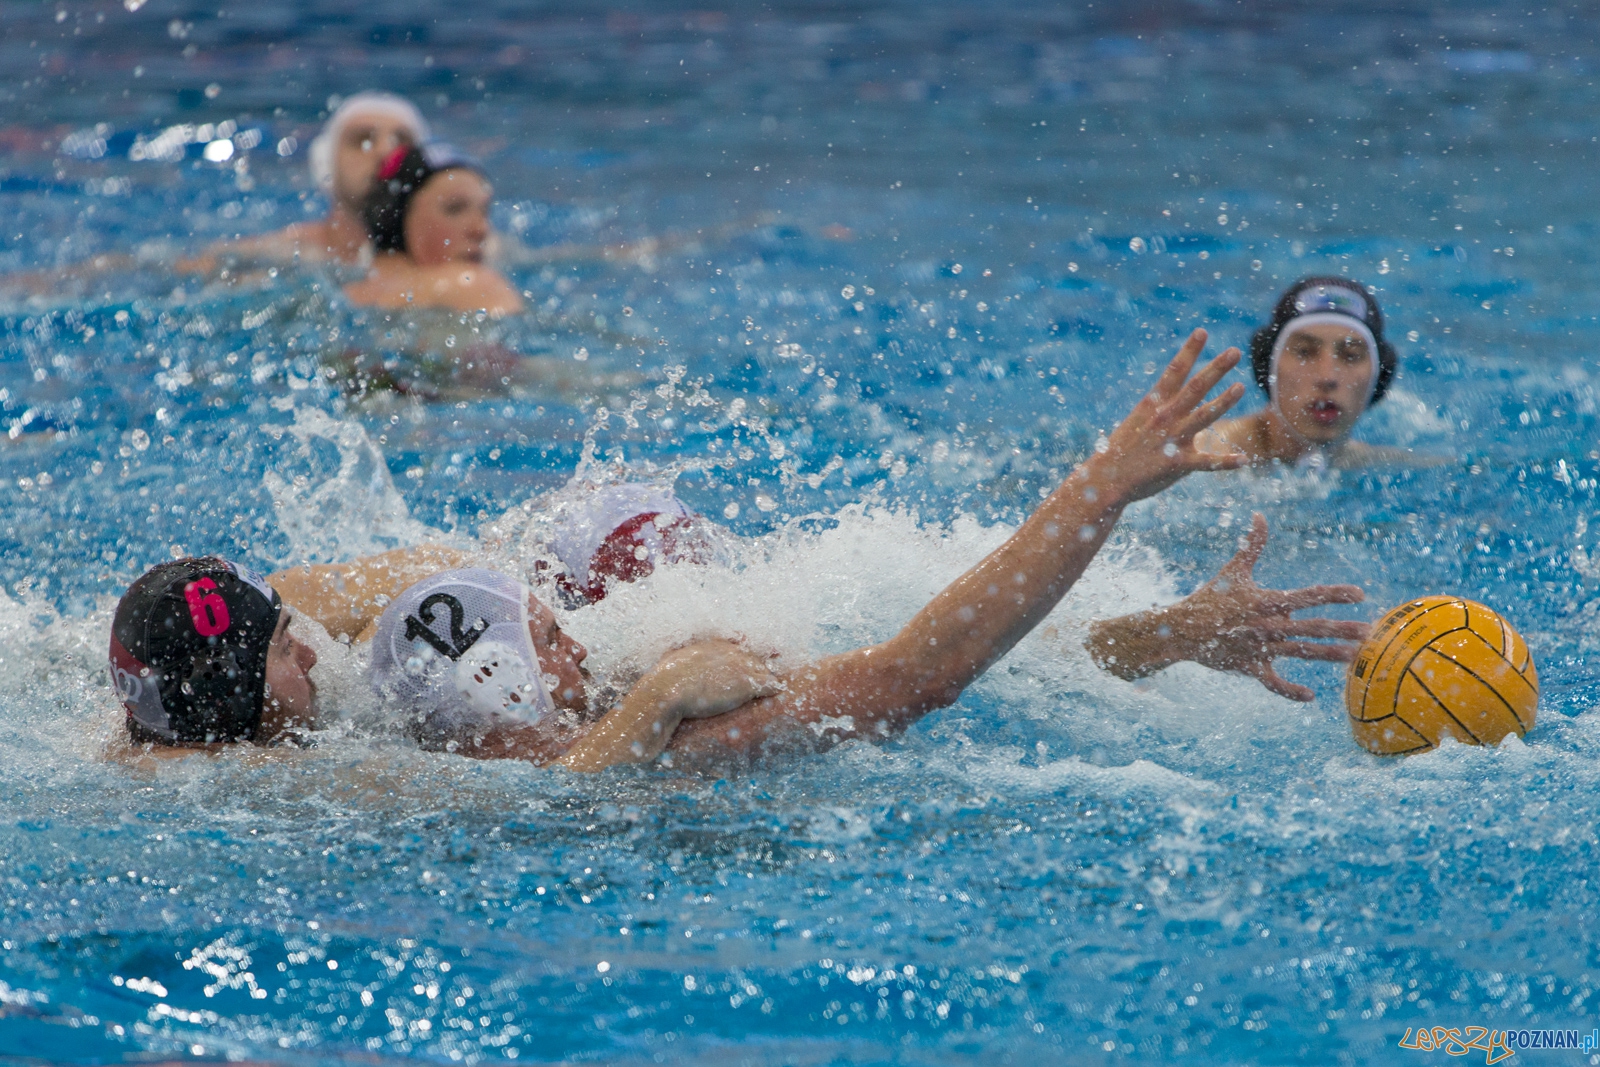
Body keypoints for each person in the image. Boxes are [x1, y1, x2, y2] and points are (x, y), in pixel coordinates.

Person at [109, 332, 1370, 770]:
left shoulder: (439, 688)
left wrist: (1154, 634)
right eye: (548, 626)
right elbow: (921, 673)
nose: (571, 628)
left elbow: (993, 667)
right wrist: (1102, 489)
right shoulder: (664, 724)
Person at [181, 92, 431, 273]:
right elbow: (189, 266)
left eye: (402, 141)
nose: (386, 152)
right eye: (363, 141)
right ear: (326, 164)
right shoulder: (289, 251)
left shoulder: (440, 257)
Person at [1197, 276, 1421, 468]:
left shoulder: (1391, 468)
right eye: (1304, 352)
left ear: (1379, 378)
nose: (1327, 377)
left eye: (1351, 355)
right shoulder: (1201, 454)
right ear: (1267, 366)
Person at [341, 142, 524, 315]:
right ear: (397, 219)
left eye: (484, 211)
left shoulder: (348, 293)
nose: (481, 229)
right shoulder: (472, 285)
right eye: (455, 209)